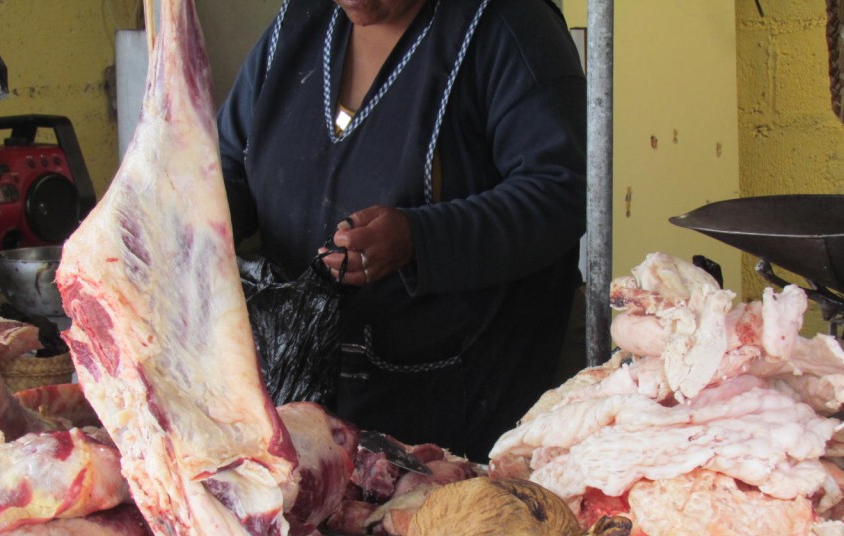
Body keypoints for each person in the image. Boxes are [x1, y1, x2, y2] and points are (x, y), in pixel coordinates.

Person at [217, 0, 587, 462]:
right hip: (305, 394)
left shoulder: (507, 26)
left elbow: (560, 193)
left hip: (455, 407)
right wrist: (195, 229)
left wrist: (419, 238)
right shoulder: (298, 24)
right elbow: (227, 164)